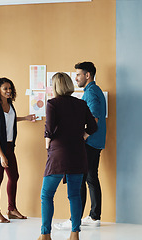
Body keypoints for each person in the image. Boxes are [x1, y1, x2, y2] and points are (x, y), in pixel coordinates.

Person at [38, 72, 97, 240]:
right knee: (74, 195)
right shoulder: (81, 104)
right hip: (78, 153)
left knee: (47, 195)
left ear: (55, 86)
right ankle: (75, 233)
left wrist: (47, 145)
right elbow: (93, 127)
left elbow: (49, 129)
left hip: (58, 154)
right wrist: (83, 136)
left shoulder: (52, 104)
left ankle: (45, 235)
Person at [55, 62, 106, 229]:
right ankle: (93, 216)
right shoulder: (94, 91)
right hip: (96, 142)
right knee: (91, 178)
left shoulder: (91, 93)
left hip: (90, 143)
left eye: (78, 74)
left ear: (87, 75)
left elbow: (95, 119)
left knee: (80, 180)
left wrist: (82, 137)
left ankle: (74, 219)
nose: (76, 78)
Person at [0, 77, 36, 223]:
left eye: (10, 88)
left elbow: (9, 120)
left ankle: (11, 209)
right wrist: (1, 156)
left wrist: (25, 118)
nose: (9, 91)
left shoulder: (10, 105)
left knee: (14, 177)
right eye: (5, 89)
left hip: (9, 147)